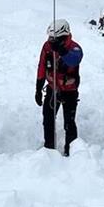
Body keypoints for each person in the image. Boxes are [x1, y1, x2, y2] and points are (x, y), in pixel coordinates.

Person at [35, 19, 83, 156]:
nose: (50, 40)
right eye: (49, 37)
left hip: (70, 91)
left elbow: (74, 60)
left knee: (69, 122)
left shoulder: (75, 48)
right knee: (48, 118)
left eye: (53, 38)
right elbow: (42, 66)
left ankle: (71, 150)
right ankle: (49, 148)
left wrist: (62, 51)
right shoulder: (47, 47)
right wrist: (38, 88)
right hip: (52, 89)